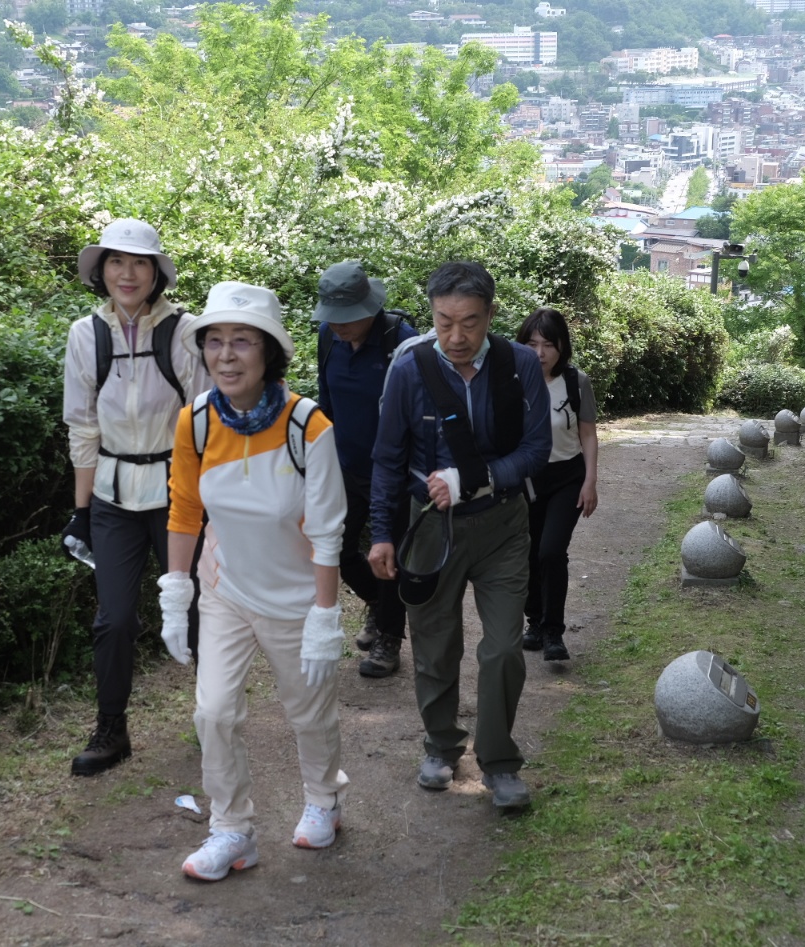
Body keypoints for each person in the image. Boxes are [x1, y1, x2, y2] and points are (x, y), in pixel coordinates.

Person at [160, 281, 349, 881]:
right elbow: (184, 511)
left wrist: (325, 618)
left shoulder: (307, 426)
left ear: (269, 352)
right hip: (226, 591)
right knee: (214, 713)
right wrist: (176, 593)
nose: (226, 355)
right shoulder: (194, 422)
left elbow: (327, 530)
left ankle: (324, 799)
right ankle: (232, 831)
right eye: (214, 341)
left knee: (309, 712)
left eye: (242, 341)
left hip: (295, 599)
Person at [367, 261, 551, 811]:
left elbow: (536, 450)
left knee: (503, 648)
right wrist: (382, 533)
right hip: (430, 526)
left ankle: (499, 761)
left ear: (490, 315)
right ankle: (441, 745)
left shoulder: (519, 365)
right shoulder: (410, 368)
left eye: (469, 322)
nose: (456, 336)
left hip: (502, 526)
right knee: (434, 643)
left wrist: (473, 479)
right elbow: (387, 458)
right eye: (444, 322)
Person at [59, 218, 208, 778]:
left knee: (196, 607)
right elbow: (82, 427)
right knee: (114, 619)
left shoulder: (186, 332)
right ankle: (111, 729)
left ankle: (214, 714)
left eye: (139, 263)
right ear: (101, 272)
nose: (127, 274)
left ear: (155, 273)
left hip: (178, 495)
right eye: (116, 263)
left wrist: (211, 503)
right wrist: (81, 512)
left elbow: (205, 421)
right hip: (113, 496)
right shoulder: (85, 335)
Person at [314, 261, 419, 678]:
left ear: (369, 308)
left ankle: (389, 639)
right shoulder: (328, 338)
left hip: (393, 471)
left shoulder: (401, 341)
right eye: (332, 316)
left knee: (387, 554)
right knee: (334, 548)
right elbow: (326, 403)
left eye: (346, 317)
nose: (338, 324)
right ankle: (377, 602)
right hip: (344, 466)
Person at [515, 308, 599, 662]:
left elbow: (588, 434)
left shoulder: (576, 382)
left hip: (567, 478)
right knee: (529, 553)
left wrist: (590, 481)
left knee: (551, 551)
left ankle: (553, 631)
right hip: (525, 479)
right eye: (532, 343)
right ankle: (534, 622)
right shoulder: (511, 380)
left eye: (548, 344)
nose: (540, 352)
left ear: (562, 346)